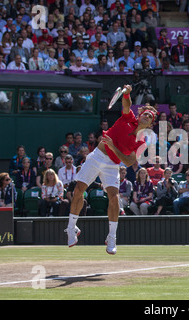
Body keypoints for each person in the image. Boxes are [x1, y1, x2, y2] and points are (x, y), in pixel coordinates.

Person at [65, 84, 154, 255]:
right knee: (78, 190)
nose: (147, 116)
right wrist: (127, 93)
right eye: (146, 113)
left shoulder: (142, 142)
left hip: (113, 165)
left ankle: (111, 237)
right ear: (140, 115)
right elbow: (126, 103)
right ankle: (71, 228)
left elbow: (128, 162)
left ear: (150, 123)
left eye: (150, 117)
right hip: (97, 156)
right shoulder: (128, 117)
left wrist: (113, 148)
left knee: (114, 198)